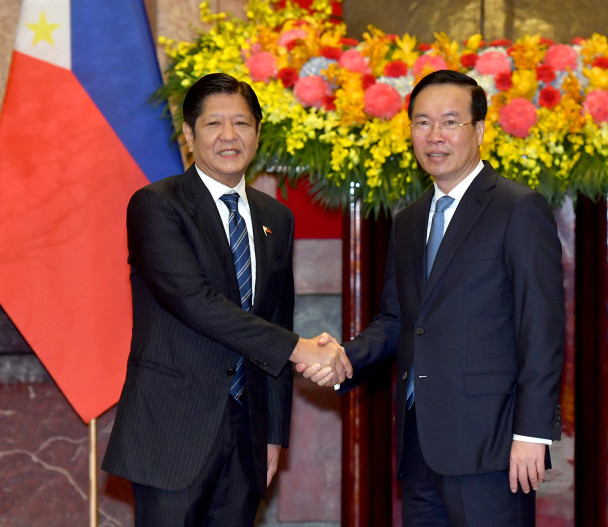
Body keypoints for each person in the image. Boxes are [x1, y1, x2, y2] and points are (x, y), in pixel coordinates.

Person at [301, 69, 565, 526]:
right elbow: (398, 321)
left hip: (492, 446)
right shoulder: (408, 220)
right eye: (422, 123)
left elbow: (540, 329)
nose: (434, 136)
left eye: (449, 122)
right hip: (420, 443)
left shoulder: (516, 208)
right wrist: (345, 355)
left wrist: (532, 433)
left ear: (479, 130)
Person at [102, 72, 352, 527]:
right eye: (214, 123)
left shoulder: (276, 216)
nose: (229, 136)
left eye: (241, 123)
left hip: (246, 436)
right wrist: (302, 348)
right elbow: (195, 302)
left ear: (257, 134)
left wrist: (273, 435)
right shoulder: (157, 206)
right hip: (171, 431)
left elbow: (277, 315)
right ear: (189, 136)